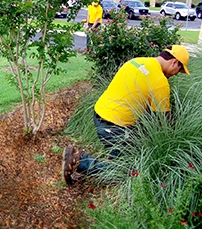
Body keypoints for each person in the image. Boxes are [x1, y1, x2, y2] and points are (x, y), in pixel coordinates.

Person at [62, 45, 190, 185]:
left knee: (132, 144)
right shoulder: (160, 82)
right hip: (113, 127)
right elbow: (162, 122)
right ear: (174, 62)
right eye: (180, 69)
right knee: (127, 172)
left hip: (99, 114)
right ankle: (80, 161)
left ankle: (114, 155)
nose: (177, 74)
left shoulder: (135, 61)